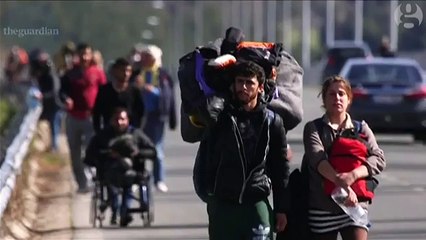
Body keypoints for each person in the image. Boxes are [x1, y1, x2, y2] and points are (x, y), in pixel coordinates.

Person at [196, 61, 290, 239]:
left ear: (261, 87)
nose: (243, 87)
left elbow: (280, 168)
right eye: (239, 82)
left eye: (249, 83)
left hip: (256, 203)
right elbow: (204, 156)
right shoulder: (220, 119)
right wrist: (207, 194)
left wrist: (281, 209)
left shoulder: (272, 122)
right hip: (223, 205)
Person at [302, 75, 386, 240]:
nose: (337, 98)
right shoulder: (314, 128)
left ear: (349, 99)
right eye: (331, 94)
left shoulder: (361, 128)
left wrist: (353, 175)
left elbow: (378, 158)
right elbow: (318, 160)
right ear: (324, 100)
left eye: (341, 94)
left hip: (354, 206)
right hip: (323, 207)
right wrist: (344, 186)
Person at [85, 107, 156, 226]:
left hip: (132, 171)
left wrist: (138, 153)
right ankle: (116, 210)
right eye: (116, 119)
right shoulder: (103, 135)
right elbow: (89, 156)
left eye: (122, 119)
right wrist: (107, 154)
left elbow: (152, 151)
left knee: (128, 178)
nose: (119, 122)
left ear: (127, 120)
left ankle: (123, 212)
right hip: (109, 172)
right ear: (112, 120)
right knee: (112, 180)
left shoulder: (136, 134)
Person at [60, 42, 107, 193]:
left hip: (91, 117)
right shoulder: (70, 73)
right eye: (82, 54)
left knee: (90, 149)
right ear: (77, 56)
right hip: (74, 117)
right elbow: (62, 91)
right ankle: (81, 183)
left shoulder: (97, 72)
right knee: (74, 153)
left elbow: (105, 92)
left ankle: (92, 177)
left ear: (91, 55)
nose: (84, 57)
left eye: (87, 54)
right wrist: (66, 99)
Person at [134, 44, 177, 193]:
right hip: (139, 116)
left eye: (149, 57)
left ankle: (159, 180)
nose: (146, 59)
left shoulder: (163, 74)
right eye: (144, 56)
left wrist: (152, 91)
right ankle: (136, 179)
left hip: (157, 117)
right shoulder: (136, 72)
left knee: (156, 149)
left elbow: (168, 97)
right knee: (136, 148)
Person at [92, 57, 144, 134]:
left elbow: (140, 113)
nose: (126, 74)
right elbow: (97, 112)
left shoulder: (135, 91)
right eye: (123, 70)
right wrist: (98, 131)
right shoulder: (105, 90)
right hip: (108, 132)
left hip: (129, 133)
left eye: (128, 71)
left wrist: (136, 131)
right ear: (115, 71)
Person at [29, 49, 62, 151]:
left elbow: (55, 91)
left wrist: (43, 96)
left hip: (54, 104)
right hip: (45, 104)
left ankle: (54, 147)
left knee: (54, 125)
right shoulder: (40, 75)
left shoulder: (52, 76)